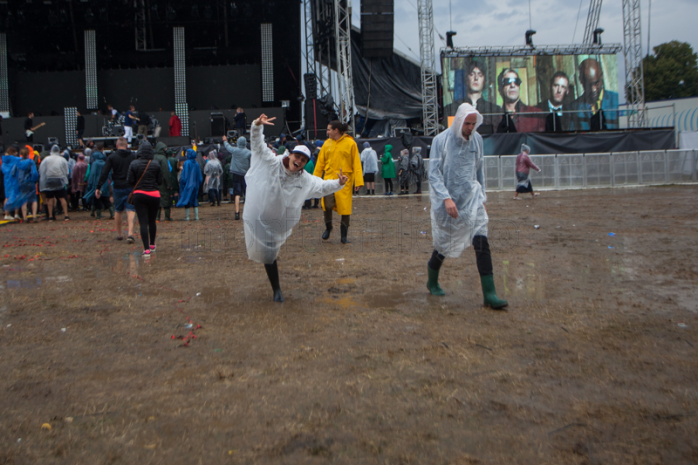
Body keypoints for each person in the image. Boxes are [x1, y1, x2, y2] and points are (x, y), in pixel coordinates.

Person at [244, 113, 348, 302]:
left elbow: (322, 186)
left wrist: (339, 183)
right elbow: (257, 146)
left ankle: (275, 286)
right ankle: (277, 290)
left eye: (303, 161)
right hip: (261, 216)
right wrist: (257, 126)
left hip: (279, 224)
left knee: (269, 253)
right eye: (297, 156)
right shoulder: (272, 163)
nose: (298, 162)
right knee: (268, 255)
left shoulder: (305, 180)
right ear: (290, 154)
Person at [426, 103, 508, 310]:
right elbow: (434, 173)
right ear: (460, 121)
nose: (471, 128)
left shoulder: (477, 140)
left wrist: (482, 199)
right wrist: (446, 198)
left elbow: (479, 172)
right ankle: (432, 281)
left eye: (474, 124)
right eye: (467, 123)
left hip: (472, 200)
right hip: (447, 203)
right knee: (444, 245)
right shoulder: (441, 140)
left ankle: (490, 294)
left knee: (481, 241)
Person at [313, 120, 363, 244]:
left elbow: (356, 162)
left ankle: (344, 235)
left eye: (329, 129)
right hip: (329, 180)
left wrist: (358, 182)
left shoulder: (351, 143)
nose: (327, 132)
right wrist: (314, 180)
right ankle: (328, 227)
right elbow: (320, 164)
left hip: (345, 181)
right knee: (327, 205)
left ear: (336, 130)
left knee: (345, 209)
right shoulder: (326, 144)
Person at [127, 141, 164, 256]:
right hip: (154, 194)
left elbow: (130, 180)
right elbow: (160, 181)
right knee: (152, 221)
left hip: (139, 194)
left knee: (143, 222)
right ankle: (152, 244)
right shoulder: (156, 164)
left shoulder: (134, 164)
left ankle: (146, 249)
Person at [96, 137, 136, 242]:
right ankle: (130, 233)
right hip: (130, 186)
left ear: (116, 146)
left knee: (118, 210)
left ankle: (119, 234)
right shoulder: (133, 156)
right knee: (130, 209)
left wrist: (98, 186)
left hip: (117, 186)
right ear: (127, 145)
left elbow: (104, 172)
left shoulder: (112, 157)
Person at [570, 58, 619, 130]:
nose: (593, 90)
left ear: (601, 76)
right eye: (589, 85)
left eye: (596, 83)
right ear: (581, 81)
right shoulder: (573, 108)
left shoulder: (617, 101)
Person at [497, 68, 544, 133]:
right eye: (507, 81)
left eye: (516, 81)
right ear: (500, 89)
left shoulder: (535, 114)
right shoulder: (495, 117)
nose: (513, 85)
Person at [462, 61, 502, 127]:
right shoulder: (454, 108)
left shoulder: (495, 110)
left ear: (485, 81)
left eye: (480, 75)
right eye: (472, 74)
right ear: (466, 78)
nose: (476, 78)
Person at [5, 147, 38, 222]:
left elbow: (12, 173)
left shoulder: (17, 162)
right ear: (28, 154)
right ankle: (34, 216)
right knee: (33, 200)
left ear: (21, 154)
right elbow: (34, 173)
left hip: (20, 183)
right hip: (30, 183)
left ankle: (25, 217)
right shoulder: (31, 162)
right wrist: (34, 180)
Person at [39, 145, 71, 222]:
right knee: (62, 198)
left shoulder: (46, 159)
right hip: (59, 179)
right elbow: (66, 171)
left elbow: (41, 170)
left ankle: (50, 217)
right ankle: (66, 215)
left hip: (49, 179)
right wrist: (65, 181)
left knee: (50, 198)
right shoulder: (62, 159)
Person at [223, 134, 251, 220]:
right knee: (247, 194)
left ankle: (237, 213)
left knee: (237, 194)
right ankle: (248, 212)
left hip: (235, 174)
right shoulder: (249, 153)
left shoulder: (235, 150)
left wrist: (225, 140)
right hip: (245, 175)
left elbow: (228, 147)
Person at [83, 149, 113, 220]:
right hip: (105, 183)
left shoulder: (95, 164)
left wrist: (90, 184)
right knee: (105, 198)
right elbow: (109, 173)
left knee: (97, 198)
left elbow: (92, 174)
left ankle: (98, 215)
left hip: (96, 183)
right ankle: (112, 213)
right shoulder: (105, 163)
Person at [176, 149, 203, 221]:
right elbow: (200, 176)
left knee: (186, 199)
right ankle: (196, 216)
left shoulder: (187, 163)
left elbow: (184, 175)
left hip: (188, 184)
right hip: (196, 185)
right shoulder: (196, 163)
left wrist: (183, 183)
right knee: (194, 200)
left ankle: (187, 217)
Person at [153, 142, 173, 221]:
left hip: (153, 182)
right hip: (162, 182)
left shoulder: (152, 157)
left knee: (156, 200)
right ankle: (167, 217)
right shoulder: (163, 158)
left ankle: (157, 217)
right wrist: (169, 183)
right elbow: (166, 172)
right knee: (165, 199)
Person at [2, 147, 20, 220]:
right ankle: (16, 214)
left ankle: (7, 214)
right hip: (15, 179)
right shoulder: (15, 159)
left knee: (7, 196)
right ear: (13, 152)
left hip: (7, 179)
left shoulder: (4, 161)